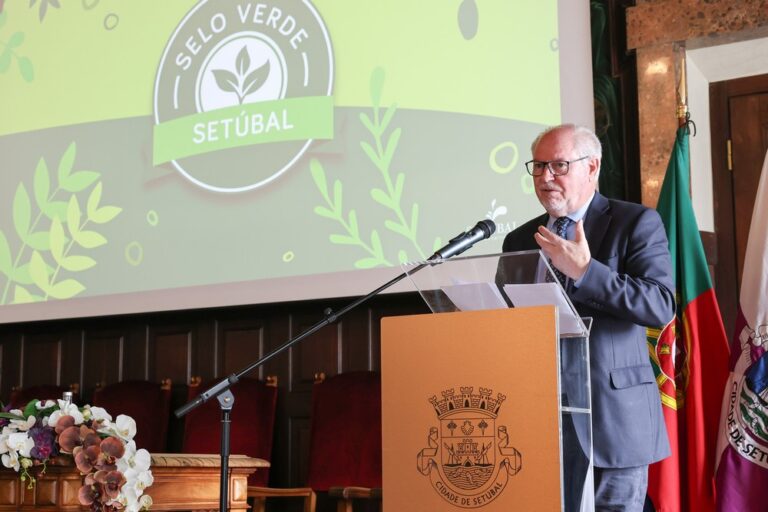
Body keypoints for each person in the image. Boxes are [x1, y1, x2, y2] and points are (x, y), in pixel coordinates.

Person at [501, 124, 675, 511]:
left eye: (559, 165)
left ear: (592, 167)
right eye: (539, 166)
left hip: (613, 419)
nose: (546, 177)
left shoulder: (635, 223)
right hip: (539, 420)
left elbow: (659, 304)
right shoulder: (519, 240)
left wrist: (586, 271)